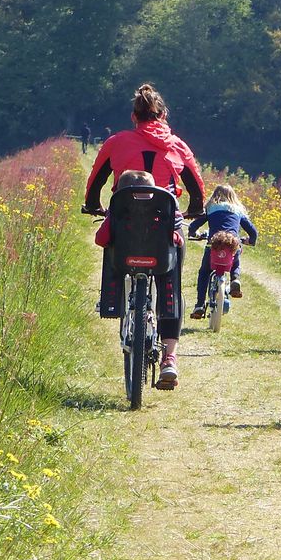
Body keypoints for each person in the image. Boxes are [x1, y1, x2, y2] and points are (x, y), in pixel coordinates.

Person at [84, 83, 205, 389]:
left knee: (115, 247)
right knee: (171, 283)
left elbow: (95, 182)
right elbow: (197, 188)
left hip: (126, 225)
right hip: (164, 227)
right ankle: (169, 359)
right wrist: (194, 210)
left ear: (133, 116)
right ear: (163, 115)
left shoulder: (116, 142)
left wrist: (92, 205)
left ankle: (112, 299)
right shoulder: (177, 145)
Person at [188, 183, 258, 317]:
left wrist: (194, 234)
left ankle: (199, 305)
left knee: (204, 272)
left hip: (213, 245)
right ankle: (235, 279)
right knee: (235, 262)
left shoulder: (210, 208)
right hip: (232, 244)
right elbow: (253, 232)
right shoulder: (238, 210)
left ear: (214, 196)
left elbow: (193, 226)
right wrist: (250, 241)